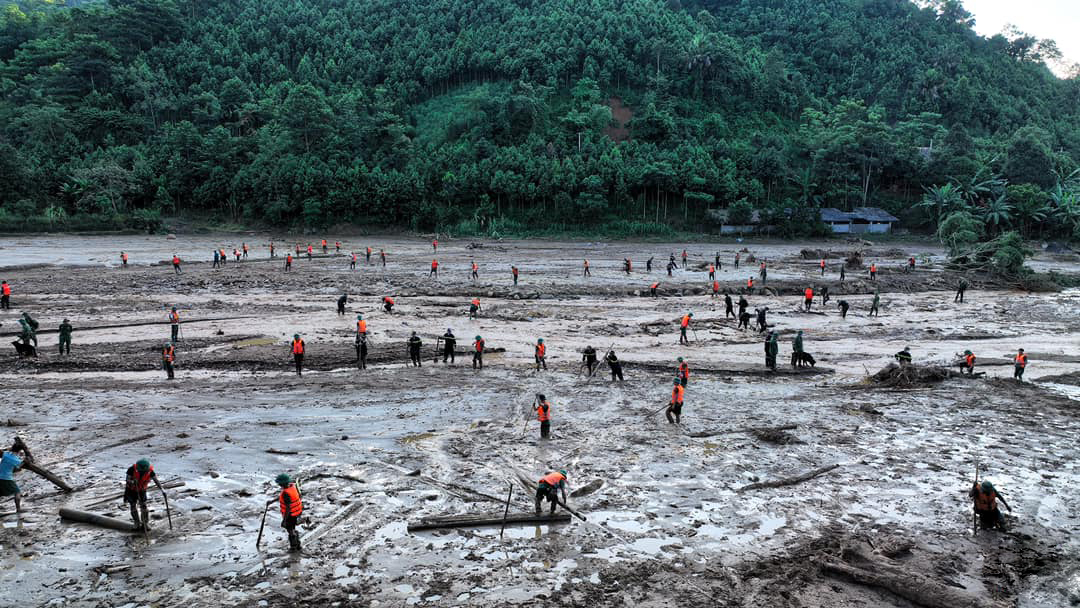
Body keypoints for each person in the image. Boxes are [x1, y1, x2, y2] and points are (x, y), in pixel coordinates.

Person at [124, 459, 164, 531]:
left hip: (142, 490)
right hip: (131, 490)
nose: (142, 472)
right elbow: (127, 479)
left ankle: (145, 523)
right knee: (133, 505)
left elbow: (156, 481)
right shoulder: (131, 469)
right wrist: (132, 481)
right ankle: (136, 523)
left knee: (144, 506)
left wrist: (162, 489)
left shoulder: (150, 471)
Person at [267, 474, 303, 551]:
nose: (278, 484)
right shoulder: (292, 487)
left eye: (279, 483)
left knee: (290, 530)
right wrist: (272, 501)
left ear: (282, 484)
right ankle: (298, 545)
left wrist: (284, 520)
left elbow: (288, 508)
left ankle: (294, 547)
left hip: (290, 515)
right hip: (296, 513)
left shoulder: (286, 493)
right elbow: (283, 497)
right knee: (292, 528)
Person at [0, 440, 28, 513]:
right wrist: (25, 461)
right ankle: (18, 509)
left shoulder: (5, 454)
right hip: (6, 478)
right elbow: (19, 468)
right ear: (19, 451)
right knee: (17, 492)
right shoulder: (16, 460)